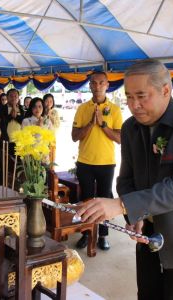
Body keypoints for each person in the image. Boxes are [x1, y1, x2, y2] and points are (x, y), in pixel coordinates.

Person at [77, 59, 173, 300]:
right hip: (147, 232)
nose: (134, 105)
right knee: (147, 293)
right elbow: (126, 178)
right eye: (129, 97)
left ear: (166, 89)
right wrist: (134, 215)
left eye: (142, 96)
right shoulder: (131, 128)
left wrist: (121, 205)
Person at [71, 71, 122, 251]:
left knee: (104, 198)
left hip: (106, 163)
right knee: (86, 199)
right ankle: (86, 233)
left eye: (102, 83)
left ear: (107, 85)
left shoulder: (114, 109)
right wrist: (91, 124)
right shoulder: (82, 108)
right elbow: (74, 136)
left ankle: (103, 235)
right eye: (94, 83)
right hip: (85, 161)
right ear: (90, 85)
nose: (98, 86)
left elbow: (119, 138)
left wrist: (103, 124)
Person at [0, 88, 24, 156]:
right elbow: (2, 122)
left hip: (19, 141)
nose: (13, 98)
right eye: (11, 96)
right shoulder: (1, 108)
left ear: (18, 98)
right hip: (6, 141)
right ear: (7, 97)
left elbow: (23, 121)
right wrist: (11, 115)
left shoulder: (21, 108)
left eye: (15, 96)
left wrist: (16, 116)